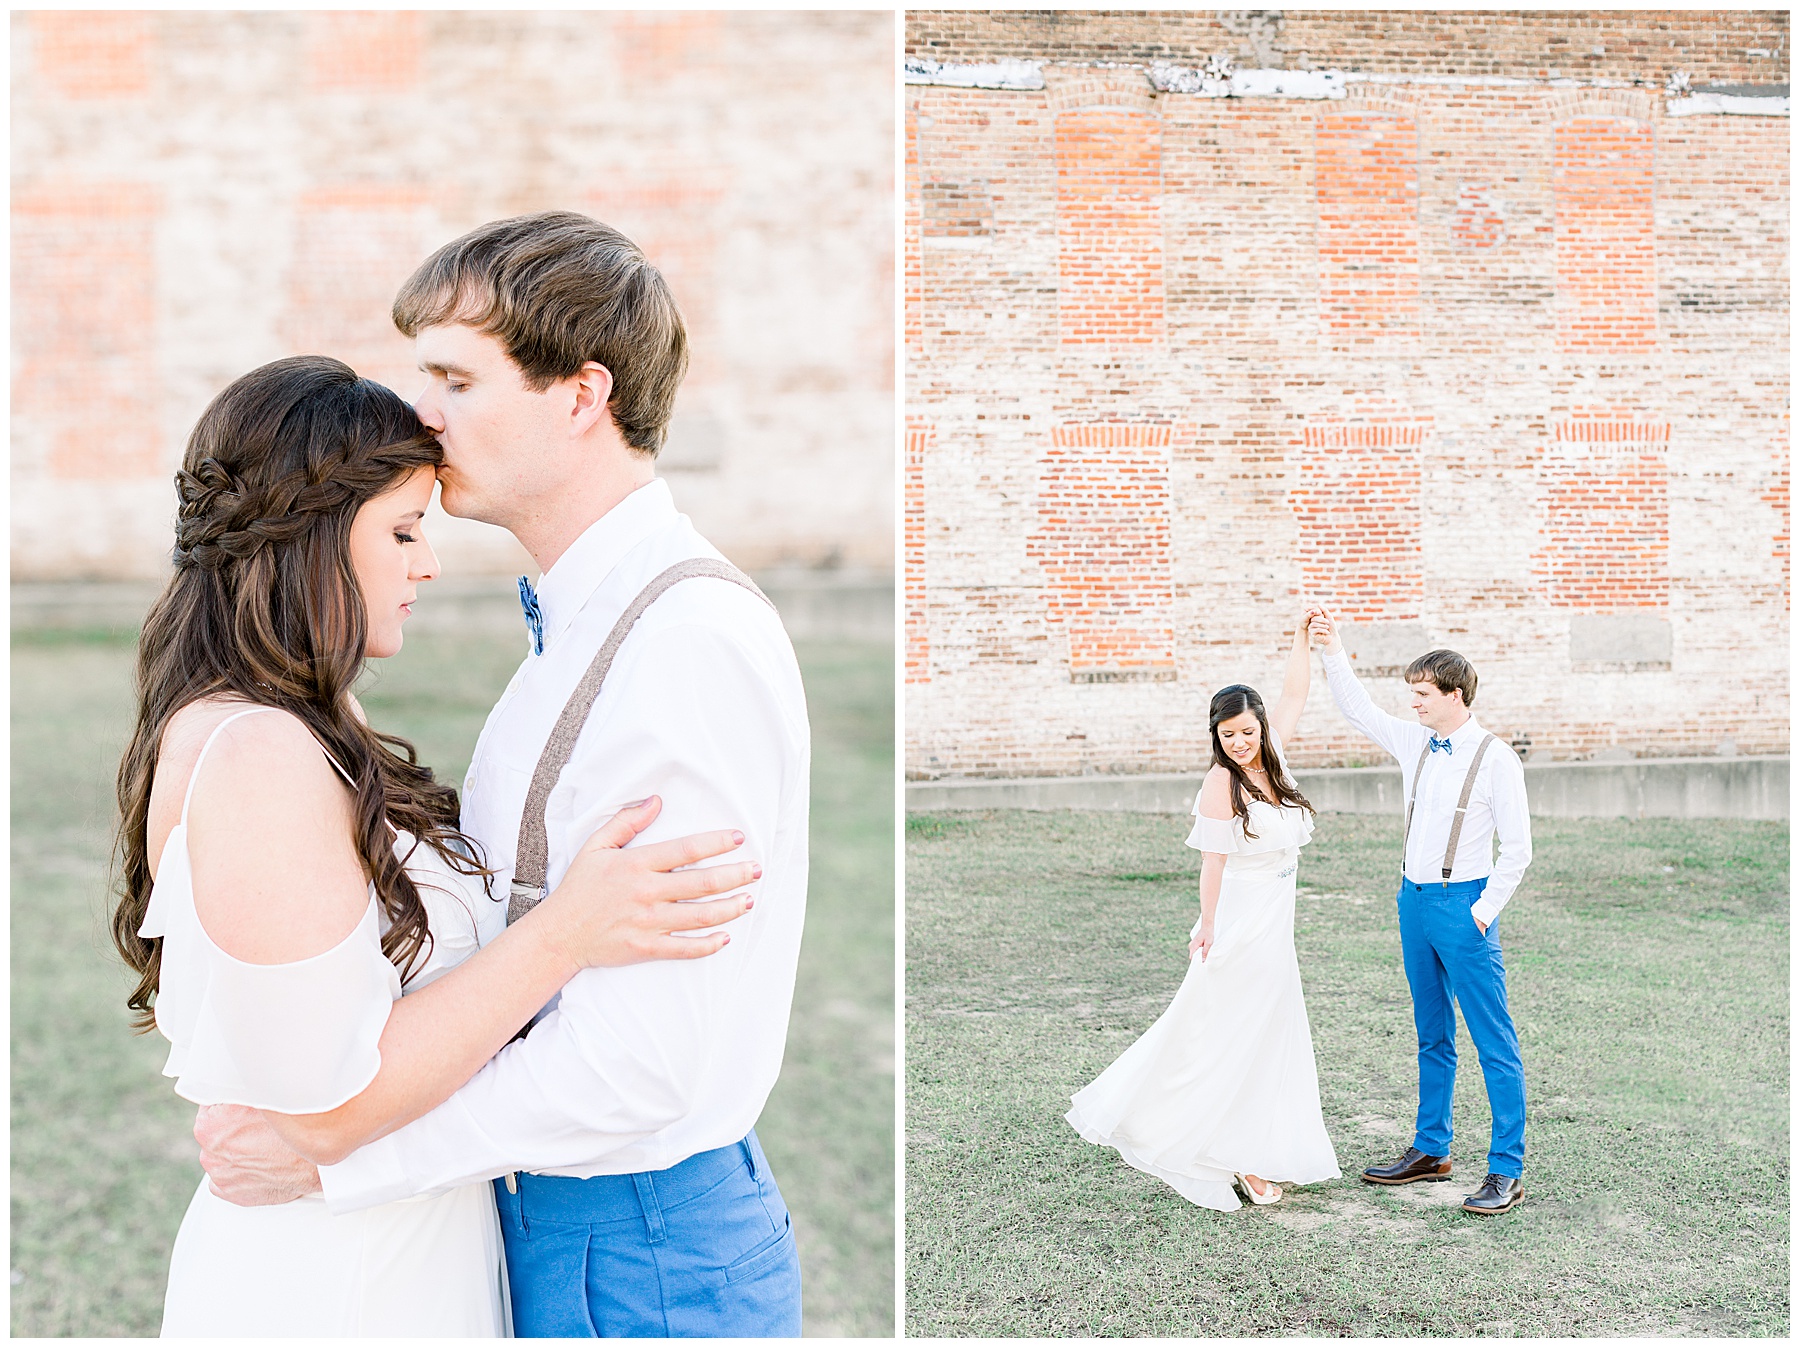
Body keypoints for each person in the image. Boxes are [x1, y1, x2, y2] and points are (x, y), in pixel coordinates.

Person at [194, 212, 812, 1336]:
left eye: (454, 377)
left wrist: (334, 1157)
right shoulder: (578, 628)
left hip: (634, 1254)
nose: (421, 415)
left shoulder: (682, 645)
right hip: (553, 1222)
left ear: (582, 395)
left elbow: (639, 1068)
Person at [1066, 613, 1341, 1211]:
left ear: (1260, 726)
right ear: (1216, 737)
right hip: (1242, 923)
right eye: (1227, 735)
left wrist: (1300, 639)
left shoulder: (1277, 761)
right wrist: (1209, 926)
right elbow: (1212, 863)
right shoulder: (1222, 784)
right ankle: (1235, 1157)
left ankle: (1255, 1148)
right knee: (1230, 1036)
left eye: (1246, 731)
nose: (1238, 743)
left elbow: (1296, 691)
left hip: (1277, 921)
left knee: (1269, 1035)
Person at [1307, 608, 1531, 1217]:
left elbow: (1520, 850)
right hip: (1413, 900)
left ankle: (1505, 1170)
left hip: (1466, 905)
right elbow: (1359, 710)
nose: (1413, 704)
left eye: (1423, 695)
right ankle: (1432, 1150)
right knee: (1430, 1033)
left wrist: (1482, 913)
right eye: (1412, 694)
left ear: (1455, 695)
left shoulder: (1496, 758)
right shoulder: (1417, 742)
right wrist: (1333, 648)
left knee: (1493, 1041)